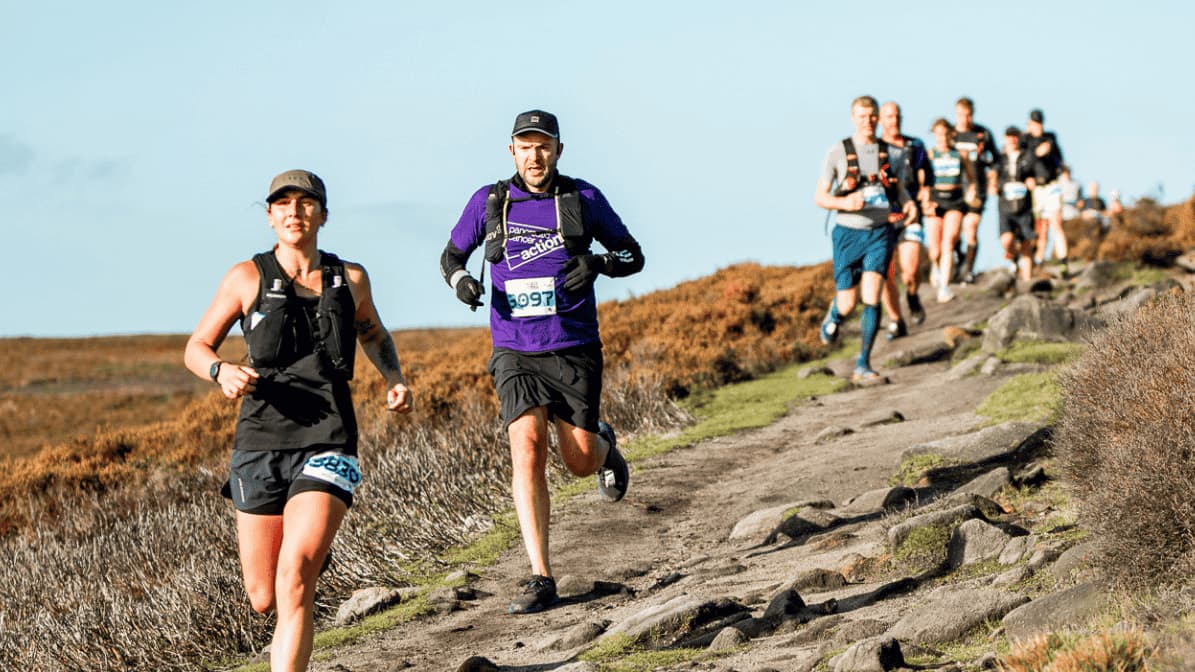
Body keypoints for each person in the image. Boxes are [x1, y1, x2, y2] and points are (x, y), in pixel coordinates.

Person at [184, 170, 414, 672]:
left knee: (293, 580)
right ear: (270, 216)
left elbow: (373, 333)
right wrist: (220, 371)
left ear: (323, 215)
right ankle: (309, 557)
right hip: (258, 443)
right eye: (282, 203)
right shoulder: (246, 277)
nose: (294, 212)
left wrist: (393, 377)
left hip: (329, 438)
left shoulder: (349, 278)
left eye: (306, 203)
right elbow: (195, 348)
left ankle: (306, 560)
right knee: (264, 596)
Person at [439, 110, 645, 614]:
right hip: (515, 350)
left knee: (577, 461)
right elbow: (450, 258)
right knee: (526, 449)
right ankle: (540, 576)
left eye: (544, 145)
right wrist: (462, 283)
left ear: (558, 150)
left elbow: (633, 255)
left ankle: (604, 446)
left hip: (574, 347)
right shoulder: (489, 203)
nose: (535, 155)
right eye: (525, 146)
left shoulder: (583, 199)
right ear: (512, 151)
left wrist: (597, 263)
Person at [815, 95, 917, 383]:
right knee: (848, 304)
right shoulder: (838, 151)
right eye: (862, 116)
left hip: (880, 232)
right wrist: (845, 204)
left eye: (872, 115)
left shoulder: (893, 153)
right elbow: (820, 197)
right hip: (847, 233)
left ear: (879, 118)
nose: (868, 121)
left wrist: (909, 205)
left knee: (872, 295)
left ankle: (863, 363)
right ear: (853, 118)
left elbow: (900, 192)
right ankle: (834, 315)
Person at [878, 101, 932, 339]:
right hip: (882, 218)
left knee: (909, 272)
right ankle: (896, 320)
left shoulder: (915, 145)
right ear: (881, 120)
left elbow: (927, 175)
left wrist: (926, 191)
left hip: (911, 213)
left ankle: (912, 294)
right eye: (889, 116)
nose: (894, 120)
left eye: (897, 115)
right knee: (884, 275)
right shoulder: (873, 148)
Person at [924, 118, 977, 304]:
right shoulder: (930, 155)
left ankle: (944, 288)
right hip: (935, 201)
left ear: (951, 134)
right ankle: (935, 267)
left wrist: (971, 193)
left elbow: (971, 179)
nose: (943, 138)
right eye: (939, 134)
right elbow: (922, 182)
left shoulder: (960, 154)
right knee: (935, 250)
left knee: (949, 242)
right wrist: (925, 200)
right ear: (934, 135)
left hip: (955, 201)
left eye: (946, 134)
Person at [952, 98, 999, 284]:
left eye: (969, 115)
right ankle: (959, 259)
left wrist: (993, 179)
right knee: (954, 232)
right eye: (962, 115)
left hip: (977, 189)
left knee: (971, 229)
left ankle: (968, 270)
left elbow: (996, 160)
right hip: (954, 190)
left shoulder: (982, 134)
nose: (965, 118)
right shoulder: (951, 135)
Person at [1023, 108, 1068, 273]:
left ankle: (1064, 261)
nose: (1037, 126)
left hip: (1051, 186)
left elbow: (1060, 161)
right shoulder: (1025, 140)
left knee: (1056, 222)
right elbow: (1023, 163)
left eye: (1039, 123)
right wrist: (1035, 154)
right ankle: (1038, 259)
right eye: (1034, 123)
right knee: (1040, 227)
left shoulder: (1050, 138)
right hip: (1036, 189)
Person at [993, 127, 1038, 282]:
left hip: (1024, 207)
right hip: (1005, 206)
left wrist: (1034, 180)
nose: (1012, 140)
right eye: (1009, 137)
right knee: (1007, 240)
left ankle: (1027, 283)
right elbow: (992, 174)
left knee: (1027, 244)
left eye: (1014, 137)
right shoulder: (999, 158)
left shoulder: (1028, 156)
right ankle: (1013, 257)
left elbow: (1038, 172)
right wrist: (993, 184)